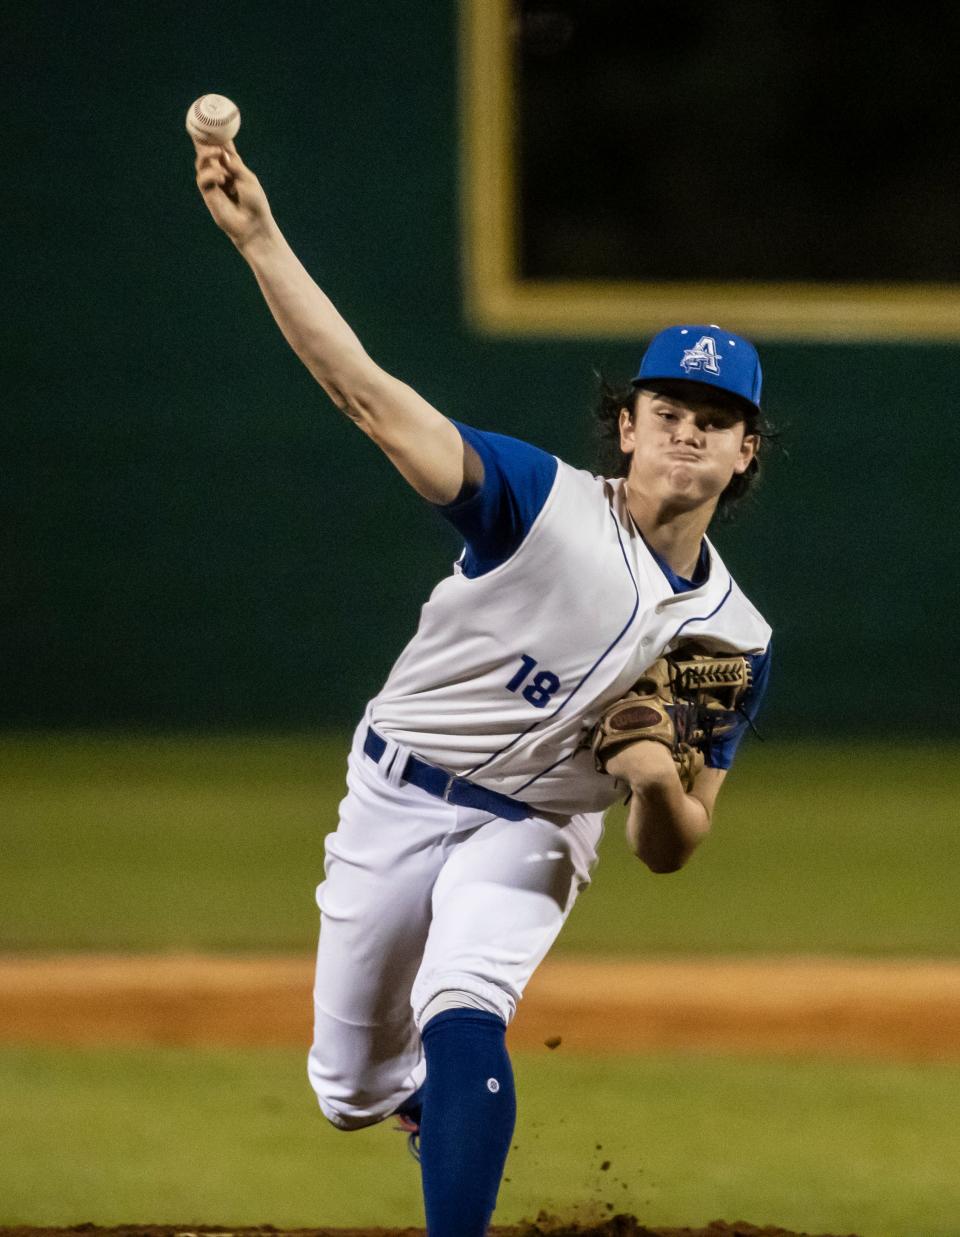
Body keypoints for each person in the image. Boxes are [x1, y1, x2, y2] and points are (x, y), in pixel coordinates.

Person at [191, 136, 773, 1236]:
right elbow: (368, 397)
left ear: (746, 451)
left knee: (467, 1003)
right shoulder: (536, 499)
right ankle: (411, 1100)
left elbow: (673, 844)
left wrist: (654, 784)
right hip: (397, 793)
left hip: (540, 828)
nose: (686, 429)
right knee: (346, 1091)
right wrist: (260, 238)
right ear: (628, 424)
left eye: (715, 419)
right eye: (667, 409)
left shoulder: (730, 636)